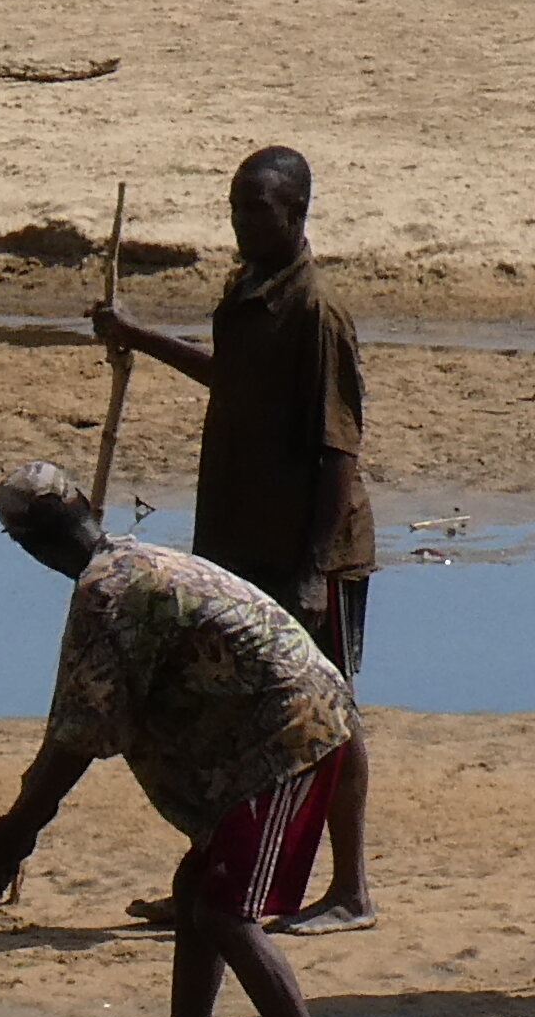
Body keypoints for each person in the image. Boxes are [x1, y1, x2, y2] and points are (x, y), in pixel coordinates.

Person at [0, 460, 359, 1017]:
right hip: (260, 735)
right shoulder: (130, 563)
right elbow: (75, 725)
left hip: (291, 732)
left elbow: (78, 739)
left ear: (27, 547)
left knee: (225, 909)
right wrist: (19, 820)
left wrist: (17, 831)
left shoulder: (106, 595)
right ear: (88, 509)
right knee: (194, 896)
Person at [88, 143, 376, 930]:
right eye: (236, 209)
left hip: (313, 552)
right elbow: (232, 378)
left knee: (333, 714)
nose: (244, 224)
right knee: (234, 713)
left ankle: (350, 889)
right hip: (238, 545)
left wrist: (315, 572)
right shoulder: (245, 293)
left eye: (260, 211)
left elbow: (338, 450)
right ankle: (221, 881)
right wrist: (137, 336)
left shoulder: (317, 312)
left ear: (297, 216)